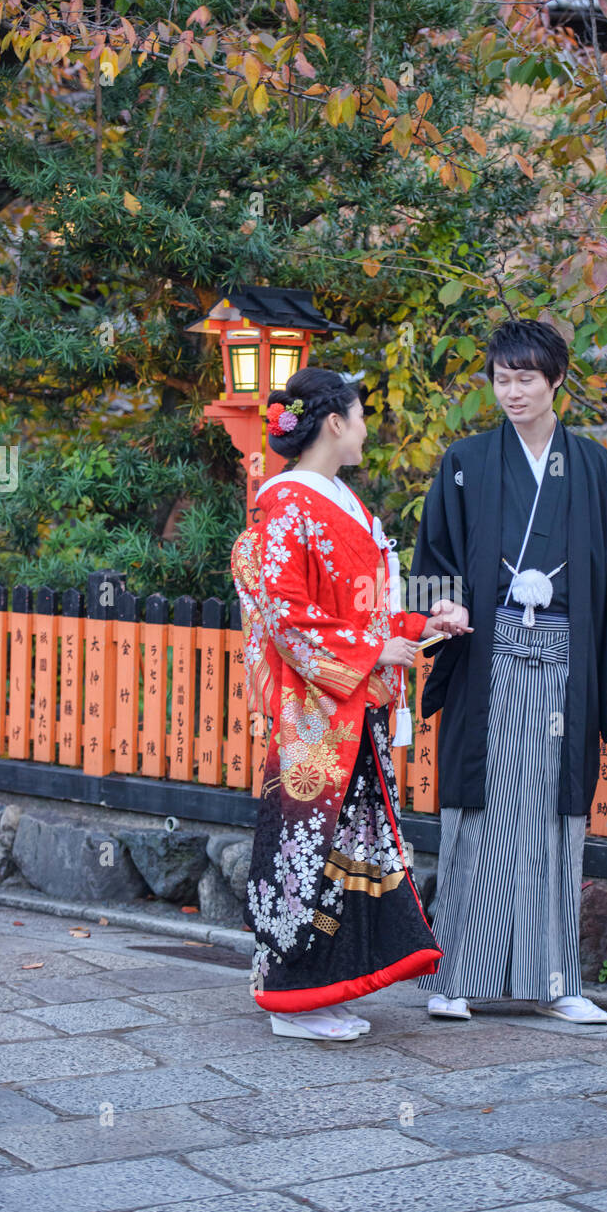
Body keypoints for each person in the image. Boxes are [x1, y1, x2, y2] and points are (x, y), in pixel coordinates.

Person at [409, 318, 607, 1024]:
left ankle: (559, 983)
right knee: (478, 812)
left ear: (556, 382)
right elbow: (432, 563)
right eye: (501, 378)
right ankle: (454, 979)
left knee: (555, 817)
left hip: (565, 663)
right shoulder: (465, 461)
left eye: (526, 377)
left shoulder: (591, 467)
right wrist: (442, 609)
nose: (513, 391)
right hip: (485, 661)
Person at [231, 367, 468, 1042]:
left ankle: (323, 989)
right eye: (361, 414)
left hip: (348, 704)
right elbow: (286, 614)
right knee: (305, 848)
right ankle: (291, 996)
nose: (366, 426)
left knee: (346, 850)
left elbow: (364, 614)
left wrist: (421, 627)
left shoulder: (340, 500)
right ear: (334, 421)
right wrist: (368, 658)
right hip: (314, 713)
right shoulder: (285, 502)